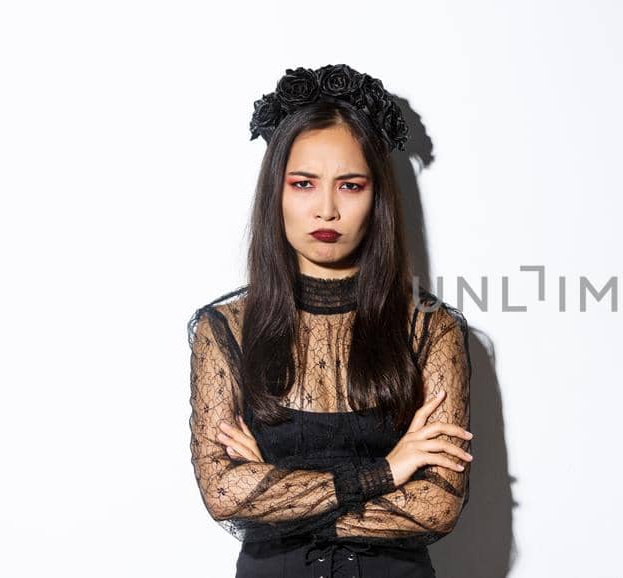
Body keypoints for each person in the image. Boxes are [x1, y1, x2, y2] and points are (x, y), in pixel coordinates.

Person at [186, 64, 474, 578]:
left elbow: (438, 504)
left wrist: (276, 490)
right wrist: (386, 472)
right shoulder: (224, 329)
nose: (325, 210)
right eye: (303, 184)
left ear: (377, 197)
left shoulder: (430, 330)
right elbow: (224, 493)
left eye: (350, 185)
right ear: (276, 192)